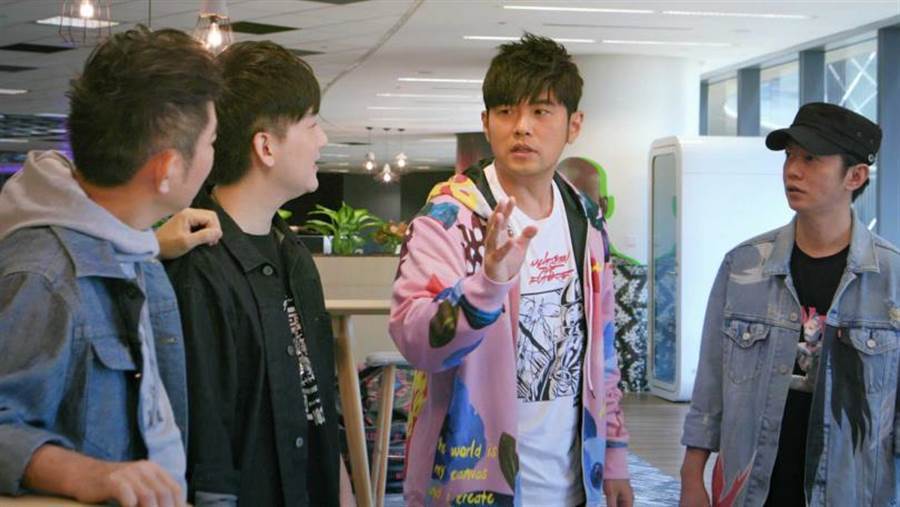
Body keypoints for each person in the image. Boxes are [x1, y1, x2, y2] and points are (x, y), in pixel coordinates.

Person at [390, 33, 633, 506]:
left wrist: (616, 456)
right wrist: (487, 285)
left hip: (574, 483)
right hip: (471, 480)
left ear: (573, 124)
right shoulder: (449, 218)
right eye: (506, 111)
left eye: (541, 111)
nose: (522, 127)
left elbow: (602, 351)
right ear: (486, 123)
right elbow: (415, 341)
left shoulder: (585, 220)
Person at [0, 26, 221, 507]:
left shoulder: (132, 247)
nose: (213, 157)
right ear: (167, 169)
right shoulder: (42, 276)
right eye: (210, 142)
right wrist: (79, 473)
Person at [680, 102, 898, 506]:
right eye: (790, 156)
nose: (792, 170)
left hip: (852, 492)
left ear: (855, 176)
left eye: (811, 159)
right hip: (753, 489)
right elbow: (710, 383)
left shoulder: (892, 279)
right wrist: (691, 475)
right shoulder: (743, 265)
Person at [164, 40, 351, 506]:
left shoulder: (295, 257)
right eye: (311, 124)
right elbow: (208, 444)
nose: (323, 140)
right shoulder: (199, 267)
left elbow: (317, 401)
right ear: (266, 146)